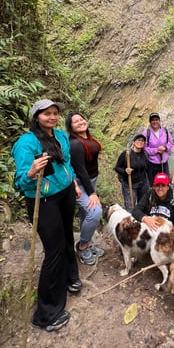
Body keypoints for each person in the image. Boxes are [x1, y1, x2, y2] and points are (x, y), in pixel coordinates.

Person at [12, 99, 81, 332]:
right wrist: (31, 172)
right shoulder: (26, 143)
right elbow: (20, 181)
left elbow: (67, 163)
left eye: (54, 113)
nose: (52, 117)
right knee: (54, 250)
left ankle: (71, 278)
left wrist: (73, 180)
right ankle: (46, 313)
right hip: (43, 199)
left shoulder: (61, 136)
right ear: (36, 117)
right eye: (46, 114)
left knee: (68, 238)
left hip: (66, 193)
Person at [65, 112, 104, 265]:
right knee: (95, 211)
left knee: (85, 214)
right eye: (76, 122)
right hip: (80, 184)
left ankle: (88, 244)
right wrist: (92, 193)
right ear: (71, 127)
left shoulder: (86, 138)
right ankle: (82, 245)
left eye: (81, 119)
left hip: (90, 180)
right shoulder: (75, 143)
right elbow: (80, 170)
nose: (80, 122)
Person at [132, 172, 174, 256]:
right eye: (157, 185)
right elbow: (136, 211)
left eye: (163, 185)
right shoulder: (150, 194)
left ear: (168, 187)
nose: (160, 188)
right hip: (151, 229)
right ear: (154, 186)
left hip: (166, 231)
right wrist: (145, 218)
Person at [114, 133, 150, 211]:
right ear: (134, 142)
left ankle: (140, 222)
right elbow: (117, 168)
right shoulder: (126, 154)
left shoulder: (145, 154)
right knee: (130, 207)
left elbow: (147, 168)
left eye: (142, 141)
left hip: (143, 184)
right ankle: (130, 222)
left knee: (142, 206)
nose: (140, 142)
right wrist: (125, 171)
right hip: (129, 184)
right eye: (138, 140)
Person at [143, 113, 173, 182]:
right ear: (150, 122)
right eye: (153, 120)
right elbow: (144, 148)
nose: (155, 122)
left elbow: (170, 143)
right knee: (153, 183)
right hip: (152, 163)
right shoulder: (146, 133)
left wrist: (165, 148)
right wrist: (156, 150)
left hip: (164, 162)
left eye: (156, 120)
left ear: (159, 121)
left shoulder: (165, 131)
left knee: (165, 183)